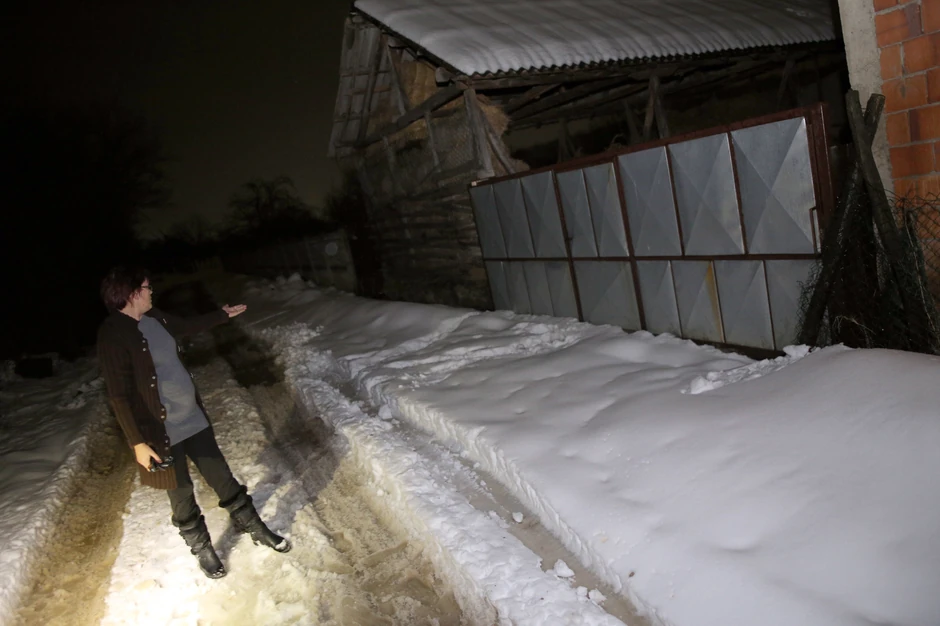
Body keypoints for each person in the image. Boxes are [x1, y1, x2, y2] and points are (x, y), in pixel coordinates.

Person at [96, 267, 290, 579]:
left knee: (222, 476)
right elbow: (118, 395)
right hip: (160, 430)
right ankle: (202, 549)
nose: (151, 291)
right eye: (146, 287)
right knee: (181, 491)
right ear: (131, 293)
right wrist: (137, 442)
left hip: (191, 416)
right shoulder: (113, 334)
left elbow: (186, 326)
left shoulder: (154, 317)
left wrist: (222, 315)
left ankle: (254, 526)